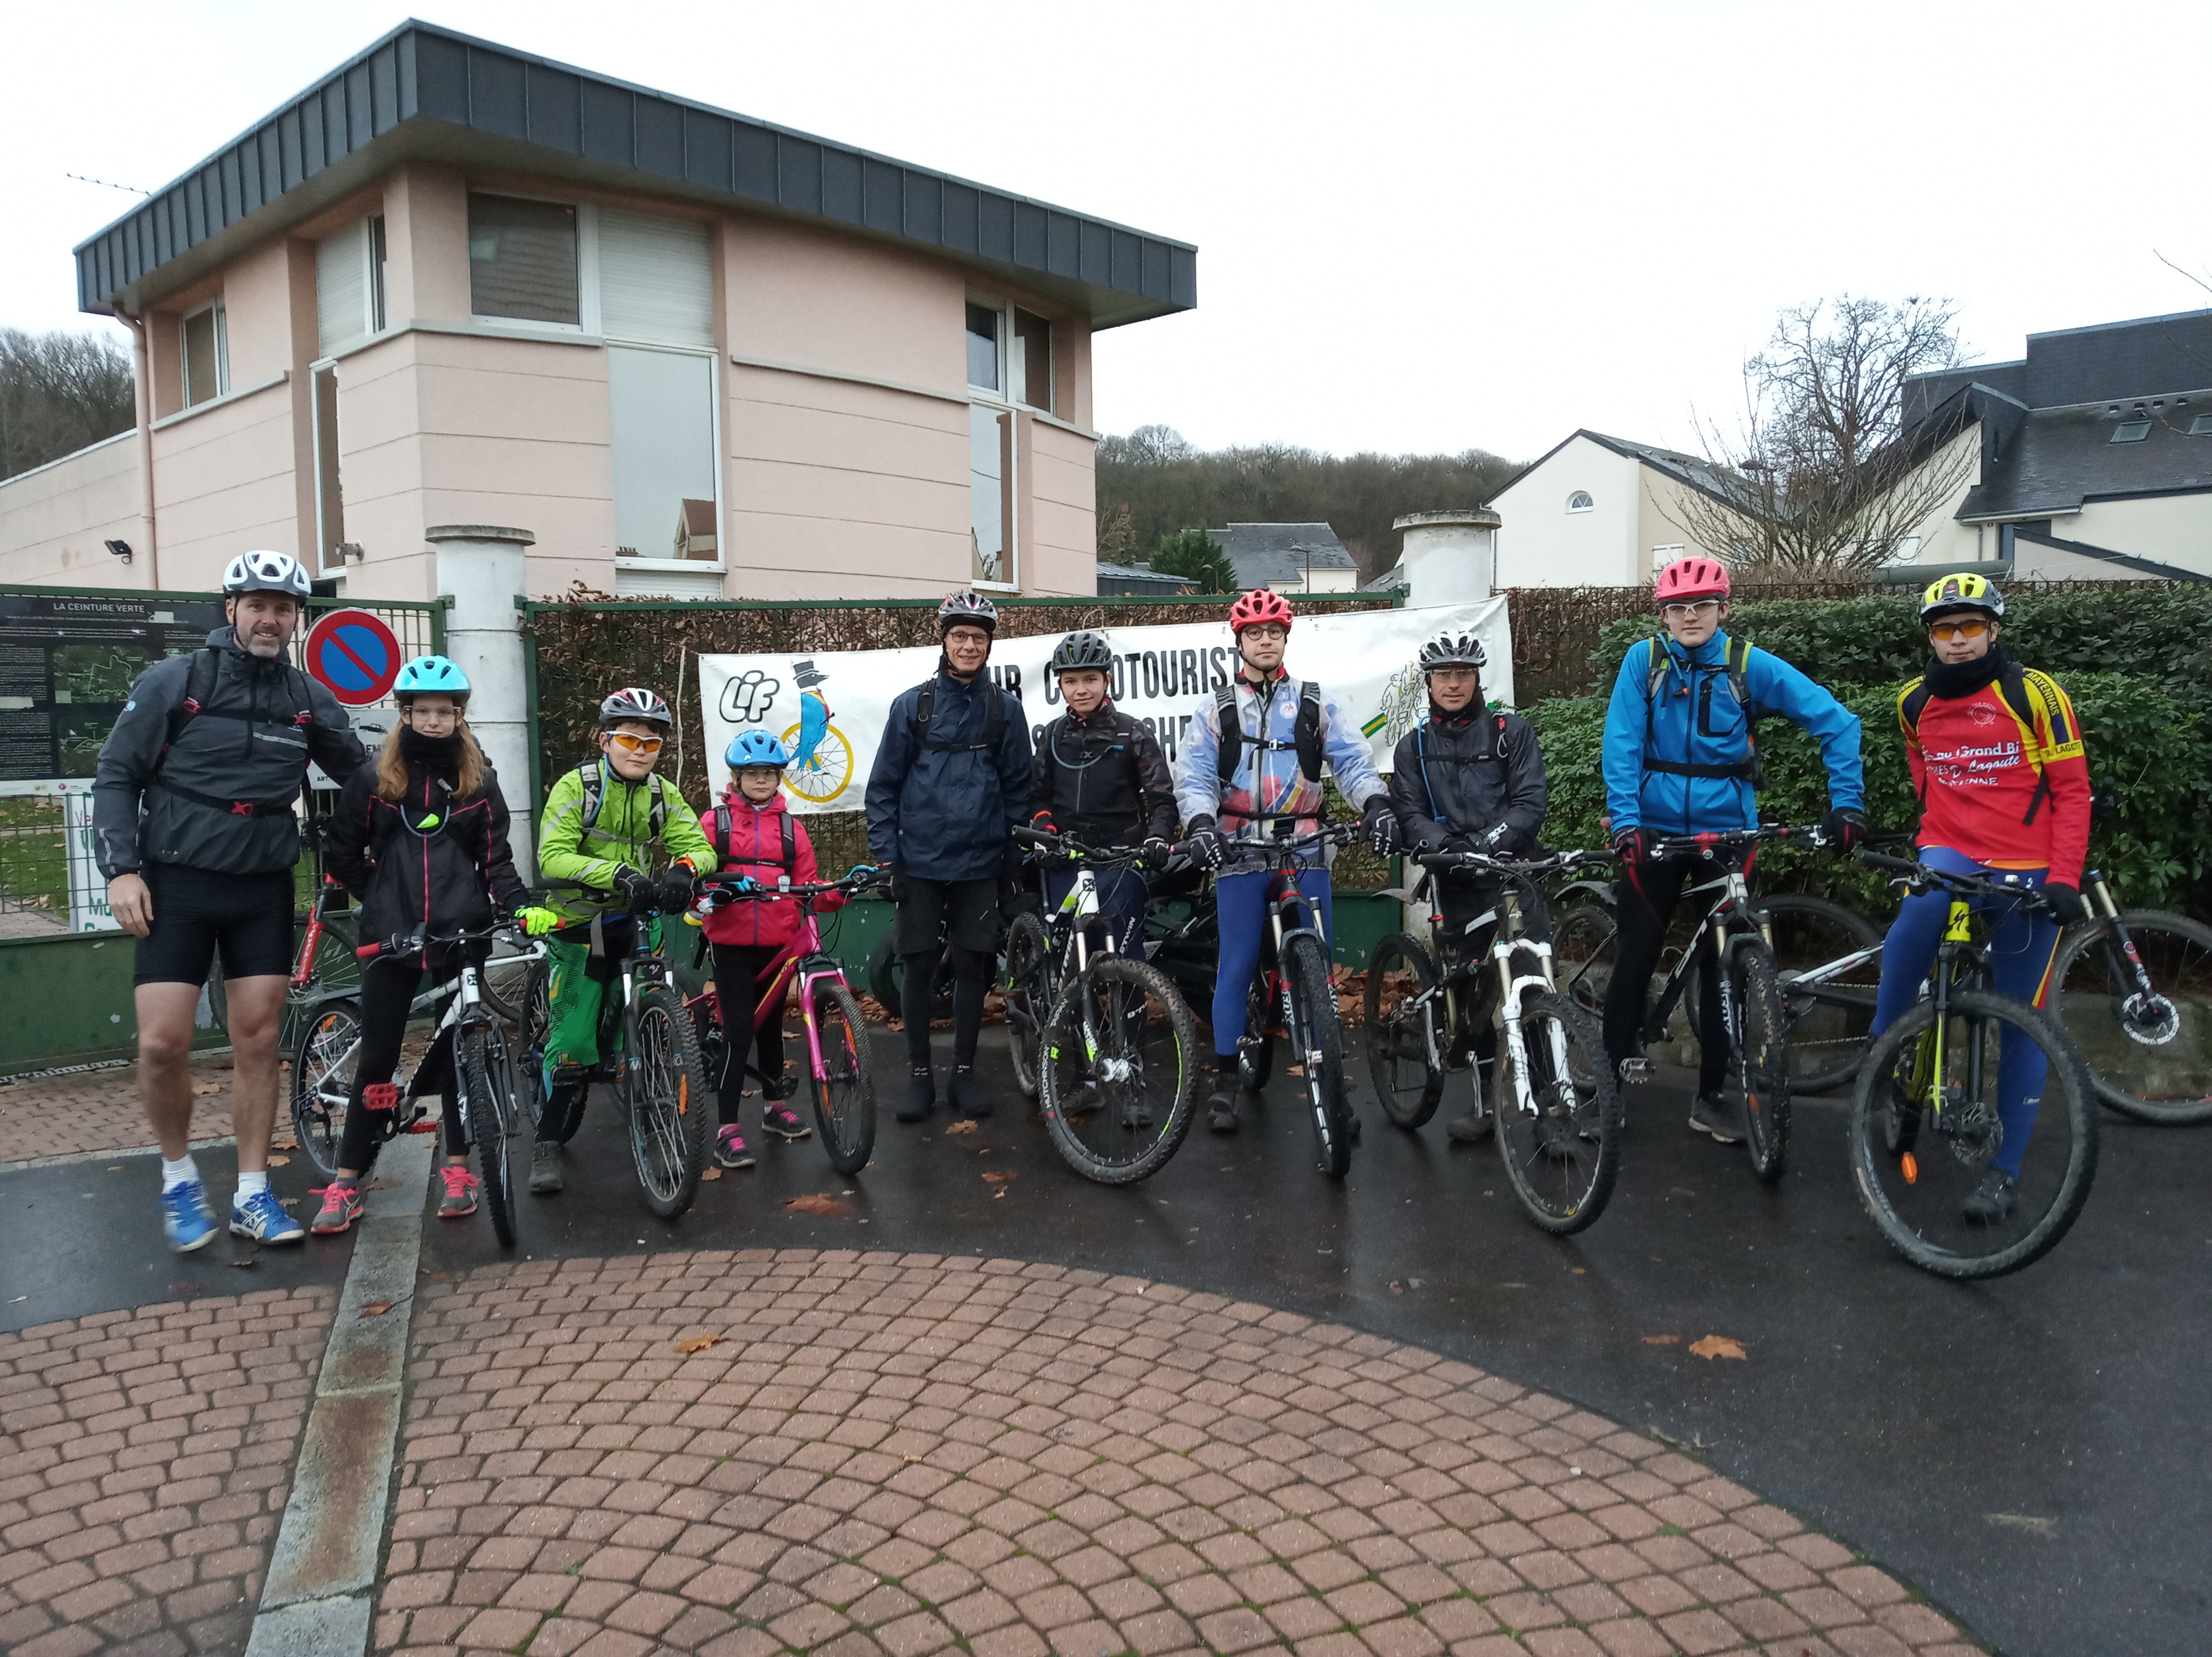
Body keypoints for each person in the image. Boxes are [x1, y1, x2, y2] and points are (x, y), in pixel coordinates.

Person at [92, 550, 367, 1250]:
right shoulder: (176, 681)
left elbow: (367, 776)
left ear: (295, 618)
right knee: (161, 1043)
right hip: (176, 880)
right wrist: (122, 870)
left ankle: (252, 1193)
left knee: (258, 1040)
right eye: (257, 605)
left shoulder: (306, 697)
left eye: (283, 608)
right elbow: (118, 776)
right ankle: (179, 1175)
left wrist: (447, 775)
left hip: (262, 885)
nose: (270, 618)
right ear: (231, 610)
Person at [1600, 556, 1868, 1143]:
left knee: (1726, 966)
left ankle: (1711, 1096)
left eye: (1701, 604)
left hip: (1727, 835)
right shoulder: (1642, 662)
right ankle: (1606, 1086)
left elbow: (1838, 722)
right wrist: (1625, 821)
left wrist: (1846, 803)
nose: (1688, 615)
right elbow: (1620, 742)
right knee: (1636, 954)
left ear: (1724, 608)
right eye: (1676, 606)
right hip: (1654, 830)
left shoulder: (1747, 664)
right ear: (1663, 614)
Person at [1868, 573, 2091, 1220]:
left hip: (2027, 865)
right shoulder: (1912, 702)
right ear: (1929, 637)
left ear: (1992, 630)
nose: (1958, 639)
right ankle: (1884, 1048)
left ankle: (2003, 1172)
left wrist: (2064, 878)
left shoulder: (2035, 694)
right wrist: (1931, 829)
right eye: (1944, 628)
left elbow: (2071, 791)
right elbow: (1922, 768)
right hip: (1951, 850)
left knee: (2025, 1019)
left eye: (1970, 626)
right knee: (1918, 913)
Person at [308, 657, 547, 1233]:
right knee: (379, 1058)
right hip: (388, 941)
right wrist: (383, 899)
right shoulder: (374, 779)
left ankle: (460, 1170)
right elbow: (342, 854)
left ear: (459, 716)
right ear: (405, 713)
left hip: (459, 934)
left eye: (446, 711)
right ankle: (346, 1180)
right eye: (424, 711)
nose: (435, 721)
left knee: (459, 1057)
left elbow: (496, 862)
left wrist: (518, 907)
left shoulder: (478, 782)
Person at [1173, 588, 1398, 1134]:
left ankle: (1332, 1084)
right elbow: (1195, 775)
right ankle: (1226, 1079)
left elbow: (1349, 761)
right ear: (1240, 641)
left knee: (1315, 966)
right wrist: (1201, 823)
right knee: (1236, 961)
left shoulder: (1315, 703)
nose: (1265, 639)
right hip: (1239, 849)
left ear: (1285, 637)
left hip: (1304, 844)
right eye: (1255, 632)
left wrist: (1374, 803)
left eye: (1274, 631)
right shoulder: (1216, 708)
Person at [529, 687, 717, 1193]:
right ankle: (547, 1141)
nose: (640, 750)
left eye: (651, 744)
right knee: (571, 1041)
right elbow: (552, 857)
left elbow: (698, 845)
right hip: (580, 927)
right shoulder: (577, 787)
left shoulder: (662, 793)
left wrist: (683, 870)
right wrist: (615, 873)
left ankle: (652, 1112)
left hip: (638, 921)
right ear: (604, 740)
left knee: (645, 1025)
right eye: (630, 739)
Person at [864, 592, 1034, 1123]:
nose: (968, 646)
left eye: (978, 638)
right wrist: (889, 860)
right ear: (944, 639)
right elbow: (884, 787)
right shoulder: (911, 706)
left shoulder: (1005, 710)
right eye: (959, 636)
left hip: (980, 865)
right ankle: (919, 1077)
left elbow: (1017, 790)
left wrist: (1010, 860)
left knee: (971, 968)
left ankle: (964, 1073)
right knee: (917, 969)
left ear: (988, 646)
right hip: (918, 862)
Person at [1387, 632, 1549, 1142]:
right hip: (1454, 881)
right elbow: (1408, 812)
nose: (1453, 684)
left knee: (1534, 990)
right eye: (1442, 675)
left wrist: (1488, 843)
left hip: (1512, 875)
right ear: (1429, 681)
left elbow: (1529, 802)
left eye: (1463, 674)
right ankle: (1483, 1105)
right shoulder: (1412, 746)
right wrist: (1451, 850)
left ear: (1477, 678)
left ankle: (1549, 1107)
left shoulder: (1509, 731)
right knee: (1471, 999)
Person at [695, 730, 845, 1169]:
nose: (762, 780)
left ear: (779, 778)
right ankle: (727, 1129)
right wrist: (706, 895)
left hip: (777, 943)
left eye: (770, 773)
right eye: (752, 773)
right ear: (737, 778)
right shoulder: (715, 824)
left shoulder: (790, 828)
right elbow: (695, 877)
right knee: (739, 1032)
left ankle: (774, 1106)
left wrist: (842, 891)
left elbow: (809, 883)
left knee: (772, 1029)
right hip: (731, 942)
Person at [1029, 629, 1178, 955]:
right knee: (1069, 958)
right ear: (1060, 686)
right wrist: (1044, 829)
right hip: (1065, 858)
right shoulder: (1052, 736)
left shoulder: (1133, 732)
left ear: (1106, 681)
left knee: (1124, 956)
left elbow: (1163, 799)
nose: (1081, 690)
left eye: (1090, 679)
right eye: (1071, 682)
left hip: (1120, 860)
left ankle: (1129, 1006)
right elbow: (1038, 796)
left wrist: (1157, 836)